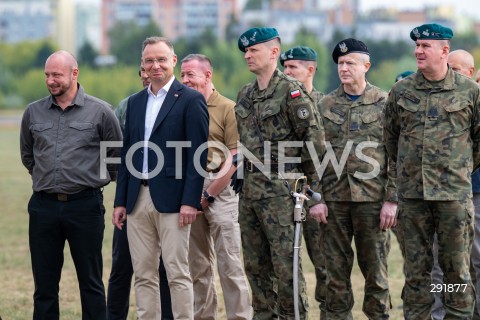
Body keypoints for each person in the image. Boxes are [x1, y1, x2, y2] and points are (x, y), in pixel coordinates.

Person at [384, 23, 480, 319]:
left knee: (456, 276)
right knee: (417, 275)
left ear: (444, 50)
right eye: (417, 46)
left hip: (453, 199)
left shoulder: (469, 91)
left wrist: (457, 170)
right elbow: (391, 140)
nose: (418, 51)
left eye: (426, 46)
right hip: (413, 200)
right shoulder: (401, 91)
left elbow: (477, 142)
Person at [20, 50, 123, 320]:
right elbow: (28, 155)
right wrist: (50, 178)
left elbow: (116, 157)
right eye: (47, 75)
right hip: (43, 208)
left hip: (85, 207)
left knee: (90, 283)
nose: (50, 80)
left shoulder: (101, 111)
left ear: (74, 74)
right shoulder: (33, 112)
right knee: (44, 286)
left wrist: (86, 179)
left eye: (56, 75)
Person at [112, 37, 209, 320]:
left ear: (173, 61)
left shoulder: (191, 100)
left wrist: (190, 201)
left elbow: (197, 155)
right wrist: (121, 202)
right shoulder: (134, 103)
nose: (156, 66)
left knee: (177, 272)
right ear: (142, 65)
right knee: (143, 274)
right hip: (136, 200)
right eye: (149, 61)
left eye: (161, 60)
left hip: (175, 201)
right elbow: (128, 155)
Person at [235, 27, 327, 319]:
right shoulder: (246, 94)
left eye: (254, 50)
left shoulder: (291, 91)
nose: (248, 55)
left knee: (286, 267)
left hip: (283, 190)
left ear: (274, 52)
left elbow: (314, 143)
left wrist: (314, 194)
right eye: (245, 51)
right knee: (255, 266)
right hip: (250, 190)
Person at [316, 38, 397, 319]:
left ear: (366, 66)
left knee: (376, 271)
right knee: (334, 273)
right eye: (340, 63)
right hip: (334, 203)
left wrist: (392, 200)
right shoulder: (325, 104)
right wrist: (317, 198)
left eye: (350, 62)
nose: (343, 68)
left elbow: (397, 154)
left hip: (373, 202)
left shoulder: (386, 102)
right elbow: (313, 155)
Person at [180, 53, 253, 320]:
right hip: (189, 189)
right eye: (183, 75)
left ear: (207, 76)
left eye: (191, 75)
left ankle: (239, 317)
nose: (185, 80)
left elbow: (235, 159)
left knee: (230, 264)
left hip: (221, 190)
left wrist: (209, 193)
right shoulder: (181, 108)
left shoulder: (227, 108)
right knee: (197, 267)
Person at [108, 67, 173, 320]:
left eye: (153, 67)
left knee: (167, 268)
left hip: (166, 199)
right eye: (143, 70)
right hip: (132, 198)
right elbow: (115, 152)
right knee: (122, 266)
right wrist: (124, 191)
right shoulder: (128, 106)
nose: (148, 74)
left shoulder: (179, 103)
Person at [279, 45, 327, 316]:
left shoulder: (325, 104)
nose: (287, 72)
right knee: (288, 264)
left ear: (310, 69)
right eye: (285, 67)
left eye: (293, 67)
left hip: (318, 196)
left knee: (324, 266)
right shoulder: (282, 102)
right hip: (288, 194)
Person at [446, 49, 480, 320]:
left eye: (457, 70)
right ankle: (440, 312)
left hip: (474, 191)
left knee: (476, 259)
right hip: (448, 194)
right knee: (444, 263)